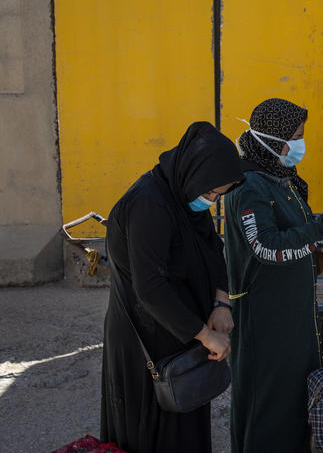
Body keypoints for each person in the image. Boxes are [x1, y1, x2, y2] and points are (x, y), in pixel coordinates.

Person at [101, 121, 244, 453]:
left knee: (185, 426)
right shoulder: (148, 204)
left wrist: (222, 302)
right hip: (147, 339)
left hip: (183, 334)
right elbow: (150, 287)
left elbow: (212, 248)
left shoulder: (183, 194)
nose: (210, 201)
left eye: (218, 195)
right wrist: (206, 335)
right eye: (210, 193)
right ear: (194, 173)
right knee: (153, 432)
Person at [224, 98, 323, 453]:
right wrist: (322, 232)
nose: (300, 144)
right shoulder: (248, 186)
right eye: (295, 137)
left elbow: (299, 225)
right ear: (271, 140)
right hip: (265, 318)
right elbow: (266, 247)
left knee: (296, 400)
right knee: (269, 405)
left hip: (292, 311)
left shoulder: (280, 177)